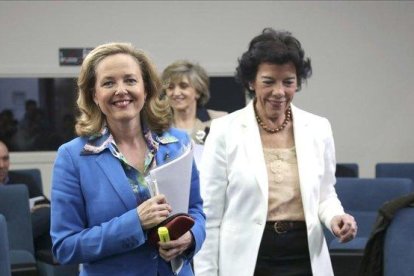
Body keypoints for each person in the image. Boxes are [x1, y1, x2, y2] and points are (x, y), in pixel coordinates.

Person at [193, 28, 357, 276]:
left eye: (288, 82)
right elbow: (210, 215)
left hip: (305, 256)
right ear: (251, 81)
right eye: (268, 81)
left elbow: (325, 193)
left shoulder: (318, 128)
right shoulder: (224, 130)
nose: (279, 92)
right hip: (247, 260)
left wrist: (336, 217)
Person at [50, 42, 206, 275]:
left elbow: (197, 211)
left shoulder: (178, 143)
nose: (120, 90)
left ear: (146, 89)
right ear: (94, 95)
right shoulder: (73, 157)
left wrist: (191, 238)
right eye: (108, 83)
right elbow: (65, 247)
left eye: (130, 80)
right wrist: (135, 223)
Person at [0, 140, 52, 252]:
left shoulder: (24, 180)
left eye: (5, 159)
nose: (1, 165)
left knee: (49, 214)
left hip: (24, 231)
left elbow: (46, 206)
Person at [161, 60, 227, 145]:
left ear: (198, 91)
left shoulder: (220, 121)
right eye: (170, 87)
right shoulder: (157, 125)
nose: (176, 93)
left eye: (183, 86)